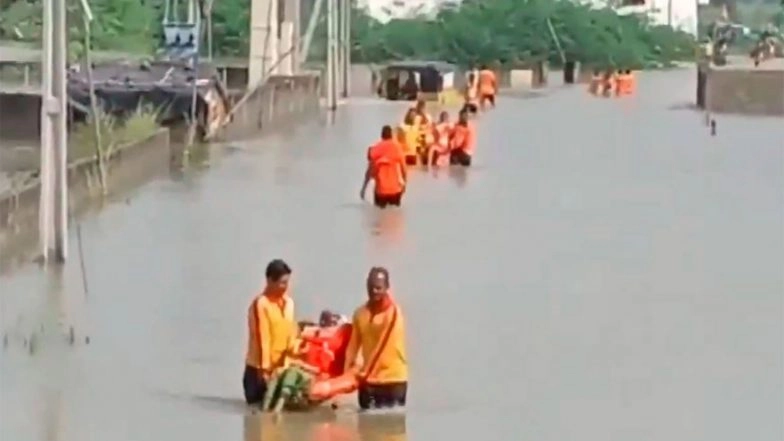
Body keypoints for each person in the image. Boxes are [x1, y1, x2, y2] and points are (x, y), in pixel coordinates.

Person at [344, 267, 408, 410]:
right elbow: (352, 346)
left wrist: (366, 372)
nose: (374, 291)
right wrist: (345, 375)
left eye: (379, 288)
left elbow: (382, 345)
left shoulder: (394, 313)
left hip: (393, 380)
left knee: (393, 429)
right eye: (371, 287)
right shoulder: (360, 313)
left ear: (387, 288)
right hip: (369, 383)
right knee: (366, 428)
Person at [243, 259, 296, 406]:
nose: (285, 287)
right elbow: (263, 338)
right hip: (258, 372)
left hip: (281, 371)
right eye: (282, 283)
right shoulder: (261, 304)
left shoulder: (289, 304)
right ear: (269, 281)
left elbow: (291, 333)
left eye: (287, 282)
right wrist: (264, 371)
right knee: (260, 421)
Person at [361, 125, 408, 209]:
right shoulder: (398, 148)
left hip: (380, 190)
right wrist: (404, 184)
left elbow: (369, 171)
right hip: (395, 190)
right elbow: (404, 169)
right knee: (395, 218)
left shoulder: (374, 149)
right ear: (391, 135)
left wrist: (364, 188)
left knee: (379, 217)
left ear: (381, 135)